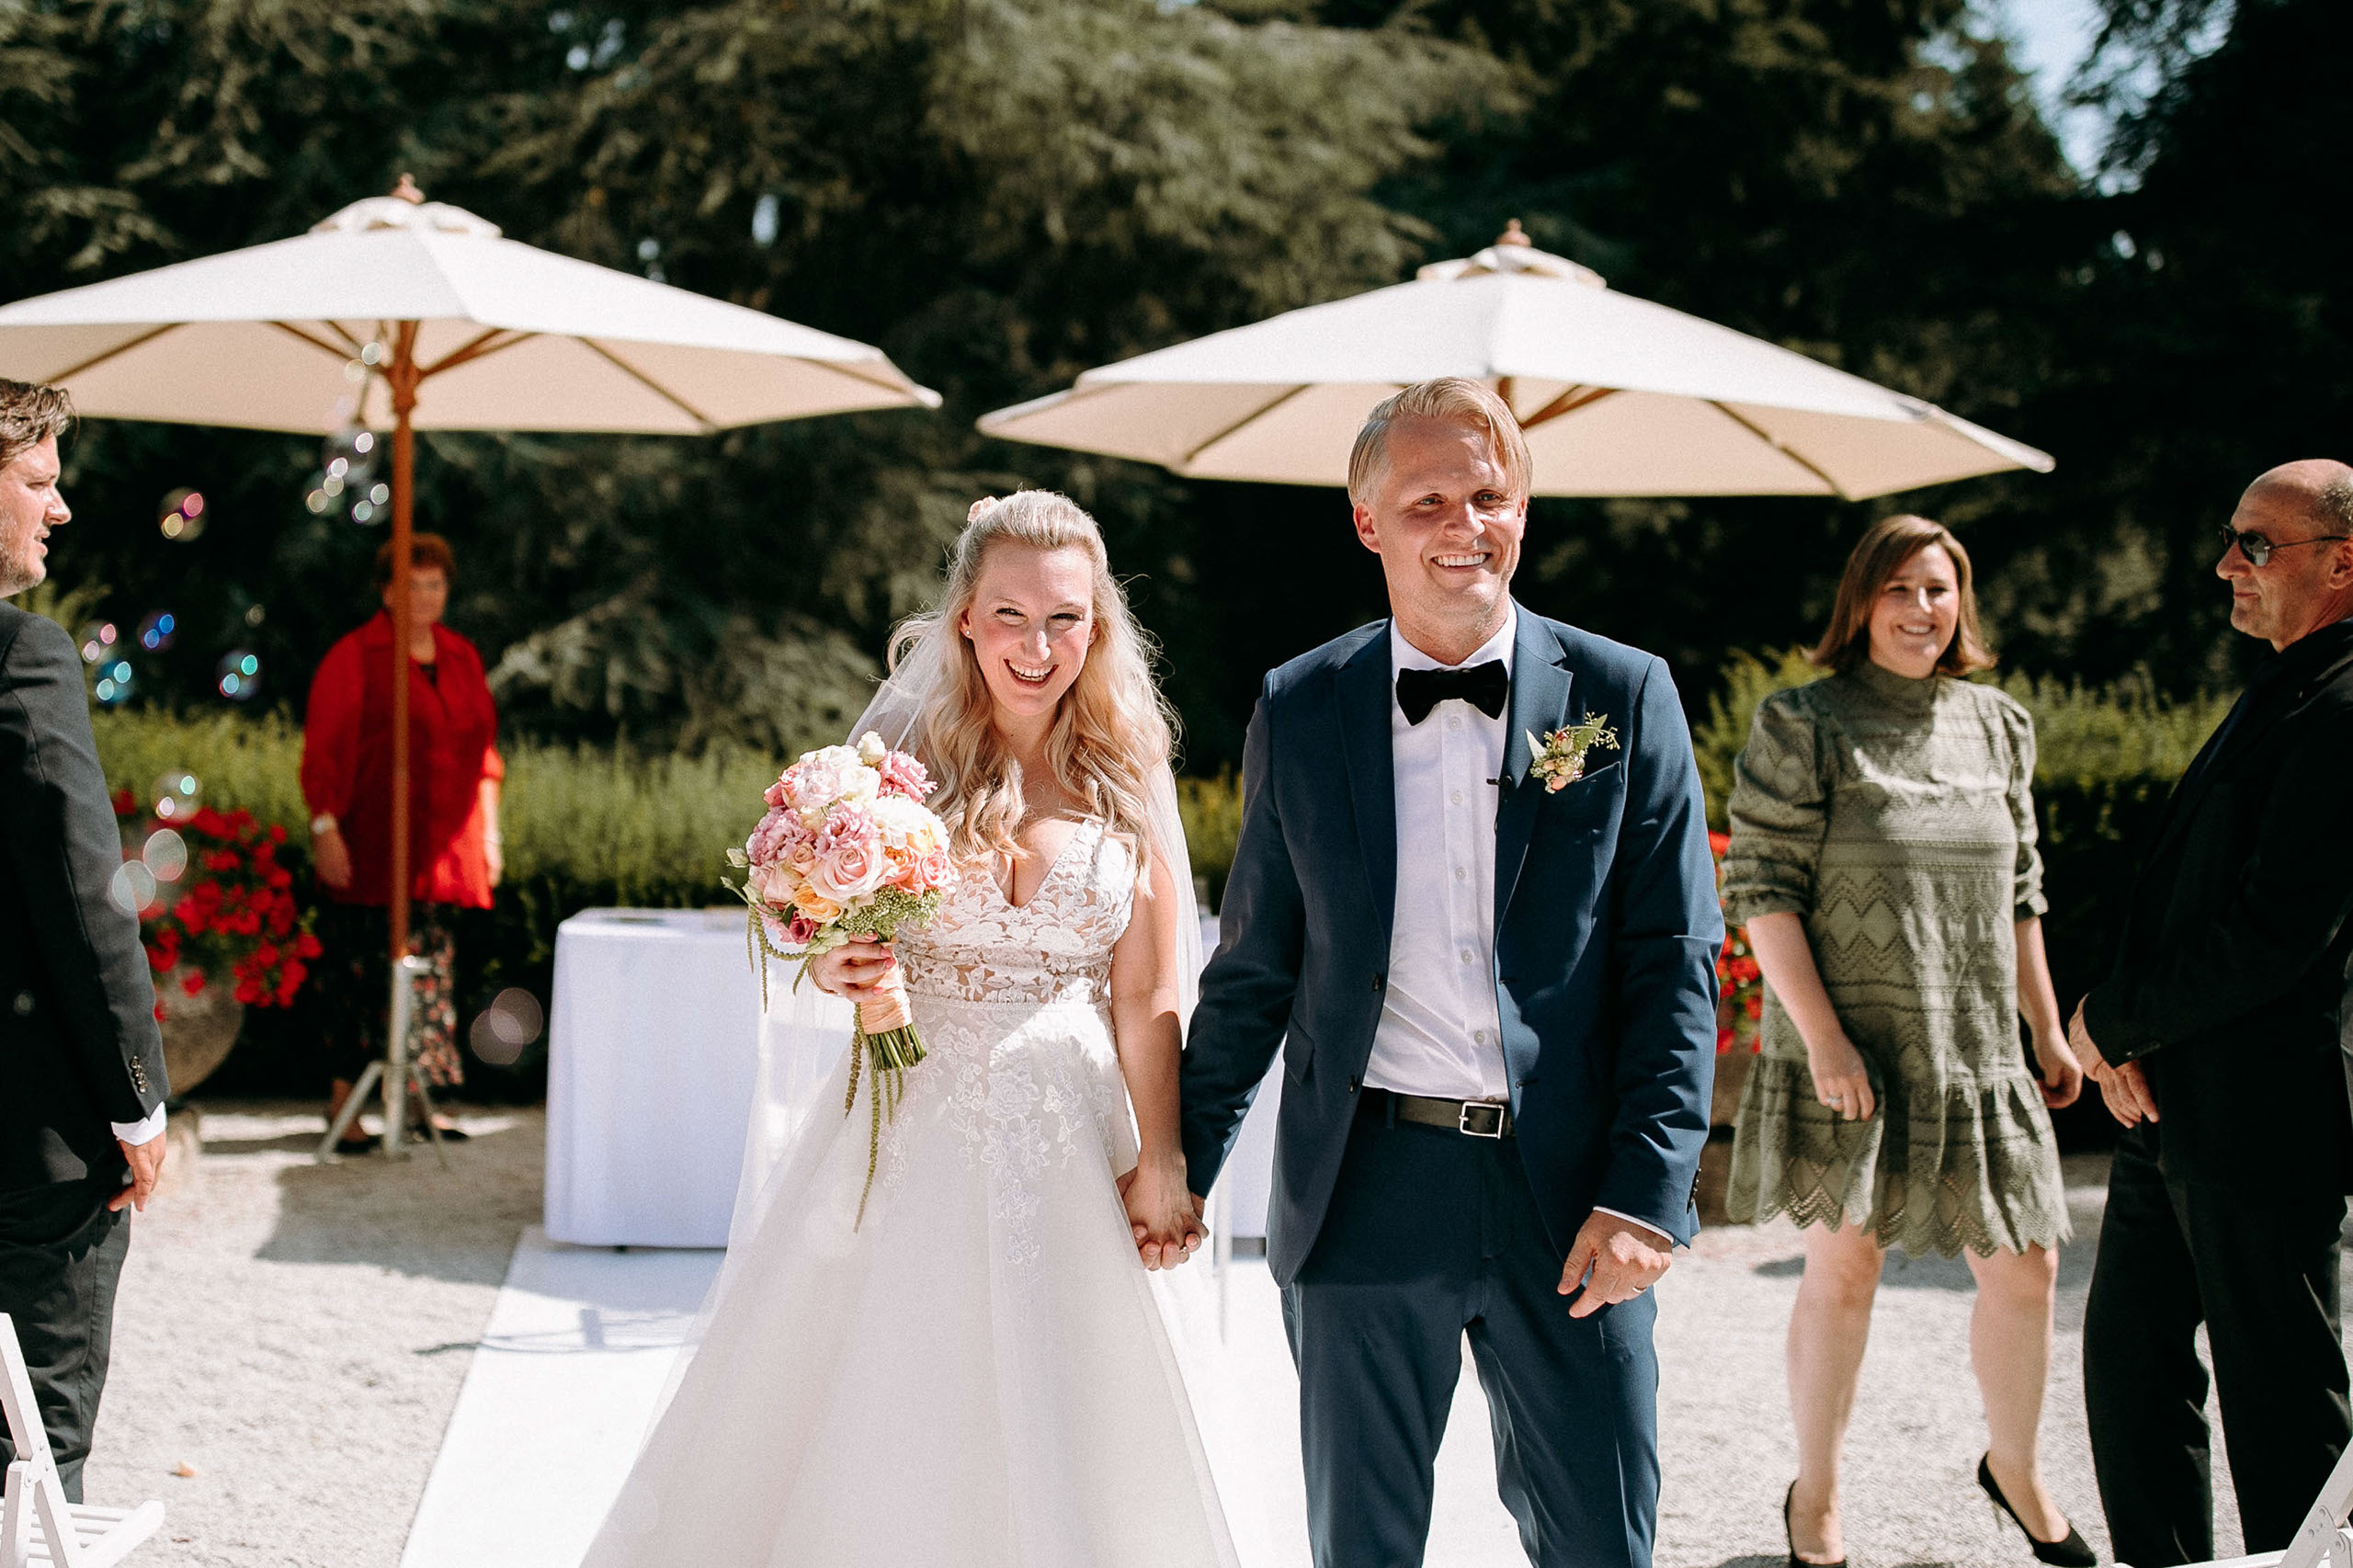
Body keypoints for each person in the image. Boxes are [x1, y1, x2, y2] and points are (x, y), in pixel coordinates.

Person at [576, 490, 1234, 1568]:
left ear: (1097, 627)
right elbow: (822, 931)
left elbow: (1148, 992)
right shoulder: (893, 759)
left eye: (1064, 617)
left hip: (1073, 1135)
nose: (1036, 644)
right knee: (882, 1397)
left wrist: (1162, 1158)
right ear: (964, 617)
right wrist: (837, 958)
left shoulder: (1130, 766)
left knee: (1081, 1414)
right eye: (1010, 613)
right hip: (903, 1118)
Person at [1178, 377, 1722, 1568]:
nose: (1468, 523)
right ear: (1368, 521)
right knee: (1362, 1546)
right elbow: (1255, 966)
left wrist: (1646, 1192)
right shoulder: (1302, 702)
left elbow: (1675, 963)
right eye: (1430, 499)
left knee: (1600, 1536)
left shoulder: (1623, 696)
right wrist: (1178, 1162)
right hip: (1365, 1183)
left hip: (1575, 1193)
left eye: (1491, 495)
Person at [1720, 514, 2089, 1568]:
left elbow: (2021, 891)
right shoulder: (1805, 722)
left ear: (1960, 603)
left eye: (1937, 589)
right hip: (1856, 1052)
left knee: (2028, 1264)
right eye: (1898, 590)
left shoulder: (2000, 723)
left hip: (1977, 1046)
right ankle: (1818, 1496)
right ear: (1859, 604)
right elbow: (1761, 890)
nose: (1921, 610)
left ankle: (2014, 1467)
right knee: (1845, 1267)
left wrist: (2045, 1025)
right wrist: (1824, 1039)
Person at [2074, 460, 2353, 1567]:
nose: (2226, 563)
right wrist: (2116, 1044)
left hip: (2260, 1112)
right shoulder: (2281, 682)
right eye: (2233, 537)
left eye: (2256, 544)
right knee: (2129, 1374)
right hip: (2162, 1099)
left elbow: (2274, 936)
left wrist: (2109, 1021)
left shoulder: (2343, 705)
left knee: (2280, 1402)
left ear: (2342, 562)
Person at [0, 377, 168, 1500]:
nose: (59, 509)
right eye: (38, 481)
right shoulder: (24, 654)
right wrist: (138, 1098)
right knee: (31, 1466)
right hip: (30, 1142)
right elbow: (84, 892)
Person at [300, 533, 503, 1147]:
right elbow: (324, 751)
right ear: (387, 591)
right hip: (375, 843)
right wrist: (324, 827)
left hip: (445, 847)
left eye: (435, 584)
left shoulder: (462, 657)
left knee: (432, 969)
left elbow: (486, 756)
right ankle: (346, 1105)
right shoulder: (356, 655)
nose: (424, 596)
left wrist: (491, 835)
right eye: (411, 584)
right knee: (363, 970)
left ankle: (422, 1100)